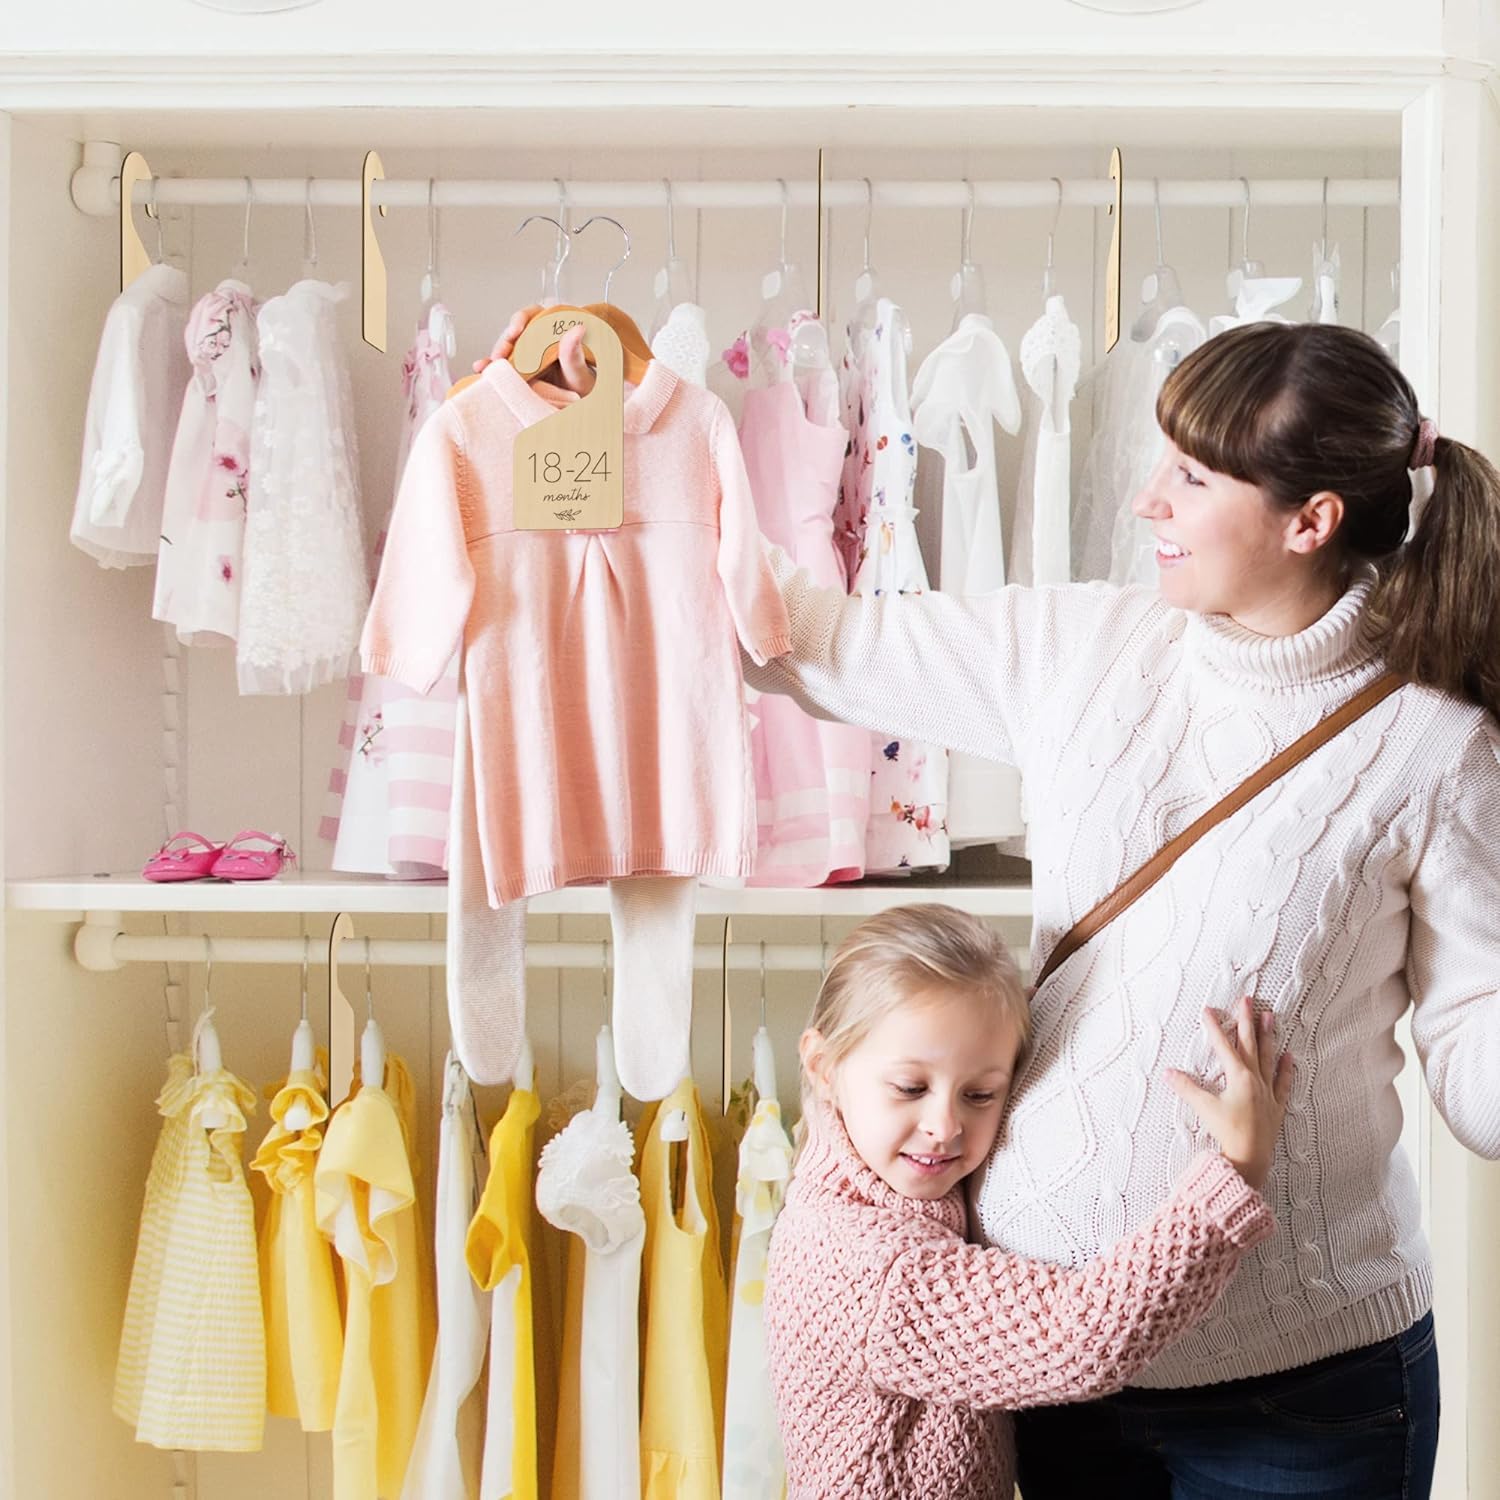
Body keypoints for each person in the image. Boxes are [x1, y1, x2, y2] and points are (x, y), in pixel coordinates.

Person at [480, 313, 1499, 1496]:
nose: (1146, 501)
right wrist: (610, 430)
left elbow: (1474, 1026)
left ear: (1308, 520)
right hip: (1046, 1383)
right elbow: (802, 635)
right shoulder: (1081, 646)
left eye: (1191, 475)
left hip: (1305, 1392)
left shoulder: (1436, 746)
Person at [762, 902, 1288, 1500]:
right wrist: (1234, 1172)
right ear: (822, 1067)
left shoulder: (871, 1188)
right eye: (910, 1088)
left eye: (980, 1094)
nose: (944, 1124)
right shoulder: (866, 1266)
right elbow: (1078, 1336)